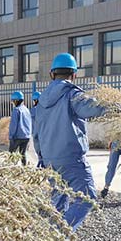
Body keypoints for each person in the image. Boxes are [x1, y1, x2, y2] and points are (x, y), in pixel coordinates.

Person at [32, 53, 110, 231]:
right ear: (74, 74)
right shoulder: (72, 95)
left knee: (59, 197)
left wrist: (42, 157)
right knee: (87, 197)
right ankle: (60, 236)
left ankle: (52, 239)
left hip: (50, 159)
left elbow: (36, 134)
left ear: (52, 74)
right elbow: (93, 109)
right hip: (71, 158)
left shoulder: (41, 101)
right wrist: (117, 108)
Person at [8, 91, 32, 165]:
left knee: (12, 153)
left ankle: (11, 168)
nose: (13, 103)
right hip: (26, 136)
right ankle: (24, 168)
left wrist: (11, 136)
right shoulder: (26, 110)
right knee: (23, 154)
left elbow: (13, 125)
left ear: (16, 100)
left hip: (17, 136)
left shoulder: (16, 110)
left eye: (13, 101)